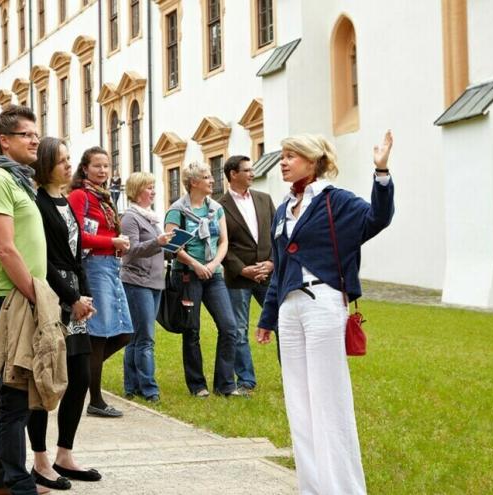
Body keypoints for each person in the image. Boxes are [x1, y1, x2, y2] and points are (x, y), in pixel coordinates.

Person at [256, 131, 395, 494]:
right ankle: (313, 487)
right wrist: (267, 318)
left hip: (323, 304)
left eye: (291, 156)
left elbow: (377, 219)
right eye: (282, 156)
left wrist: (381, 173)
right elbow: (280, 264)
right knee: (299, 404)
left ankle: (344, 489)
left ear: (312, 160)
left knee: (328, 399)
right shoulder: (283, 208)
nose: (283, 162)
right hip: (289, 309)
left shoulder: (336, 201)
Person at [0, 104, 47, 495]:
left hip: (25, 296)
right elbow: (5, 249)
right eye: (26, 134)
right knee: (15, 396)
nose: (35, 139)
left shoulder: (21, 183)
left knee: (19, 394)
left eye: (36, 133)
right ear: (4, 141)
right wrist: (35, 295)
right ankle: (17, 483)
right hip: (11, 299)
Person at [28, 137, 103, 490]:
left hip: (74, 298)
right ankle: (40, 461)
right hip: (52, 297)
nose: (68, 165)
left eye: (69, 159)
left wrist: (84, 294)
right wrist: (72, 296)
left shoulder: (65, 201)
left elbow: (76, 253)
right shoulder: (37, 203)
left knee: (80, 377)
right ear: (45, 164)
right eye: (61, 160)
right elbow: (42, 261)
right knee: (46, 379)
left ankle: (64, 454)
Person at [164, 162, 244, 398]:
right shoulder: (177, 210)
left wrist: (212, 265)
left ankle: (225, 384)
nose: (212, 180)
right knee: (192, 330)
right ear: (194, 183)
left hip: (213, 275)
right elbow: (171, 244)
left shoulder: (216, 208)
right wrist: (196, 265)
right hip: (187, 275)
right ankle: (197, 385)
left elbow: (224, 242)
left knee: (229, 327)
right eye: (207, 177)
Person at [67, 148, 132, 418]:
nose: (103, 170)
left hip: (110, 266)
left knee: (124, 331)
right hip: (93, 266)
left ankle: (77, 373)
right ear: (85, 169)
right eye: (97, 166)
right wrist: (111, 242)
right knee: (100, 334)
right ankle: (94, 398)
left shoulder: (104, 197)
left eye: (106, 165)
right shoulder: (80, 195)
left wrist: (117, 246)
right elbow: (77, 236)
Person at [219, 155, 277, 393]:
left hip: (269, 274)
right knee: (239, 329)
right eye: (247, 170)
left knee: (283, 324)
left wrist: (272, 263)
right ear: (233, 174)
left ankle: (294, 376)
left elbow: (277, 235)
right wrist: (242, 269)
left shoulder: (264, 199)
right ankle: (246, 380)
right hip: (239, 277)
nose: (252, 174)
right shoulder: (219, 206)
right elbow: (222, 244)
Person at [120, 172, 173, 402]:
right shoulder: (130, 217)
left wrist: (173, 244)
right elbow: (130, 250)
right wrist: (157, 242)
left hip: (154, 281)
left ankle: (132, 387)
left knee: (138, 336)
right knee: (145, 339)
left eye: (153, 187)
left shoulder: (151, 217)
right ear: (137, 190)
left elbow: (156, 248)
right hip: (137, 281)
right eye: (149, 188)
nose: (153, 191)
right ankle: (149, 389)